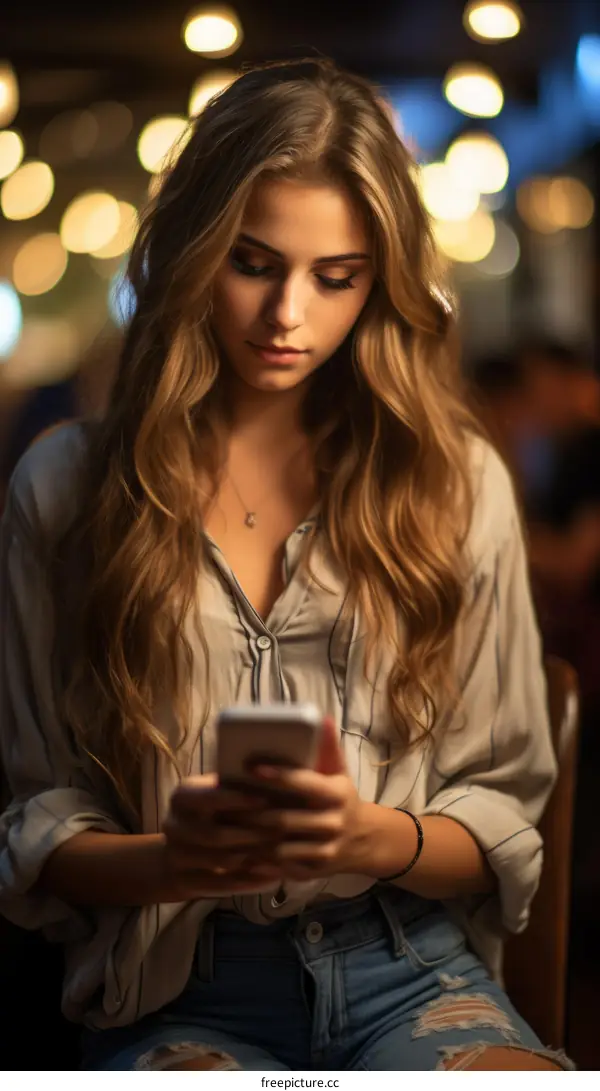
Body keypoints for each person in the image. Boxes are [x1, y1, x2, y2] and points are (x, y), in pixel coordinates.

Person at [0, 59, 567, 1072]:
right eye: (253, 263)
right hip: (176, 980)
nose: (288, 317)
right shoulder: (67, 488)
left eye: (335, 277)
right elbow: (36, 815)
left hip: (413, 966)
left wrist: (369, 837)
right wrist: (175, 858)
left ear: (380, 281)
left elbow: (503, 803)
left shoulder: (452, 481)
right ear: (190, 250)